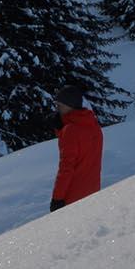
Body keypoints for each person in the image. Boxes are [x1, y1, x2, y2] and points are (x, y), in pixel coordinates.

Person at [48, 83, 102, 212]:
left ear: (69, 106)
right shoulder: (93, 125)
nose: (57, 109)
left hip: (73, 197)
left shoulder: (70, 131)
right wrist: (61, 128)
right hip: (93, 190)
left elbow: (66, 168)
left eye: (60, 106)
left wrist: (57, 198)